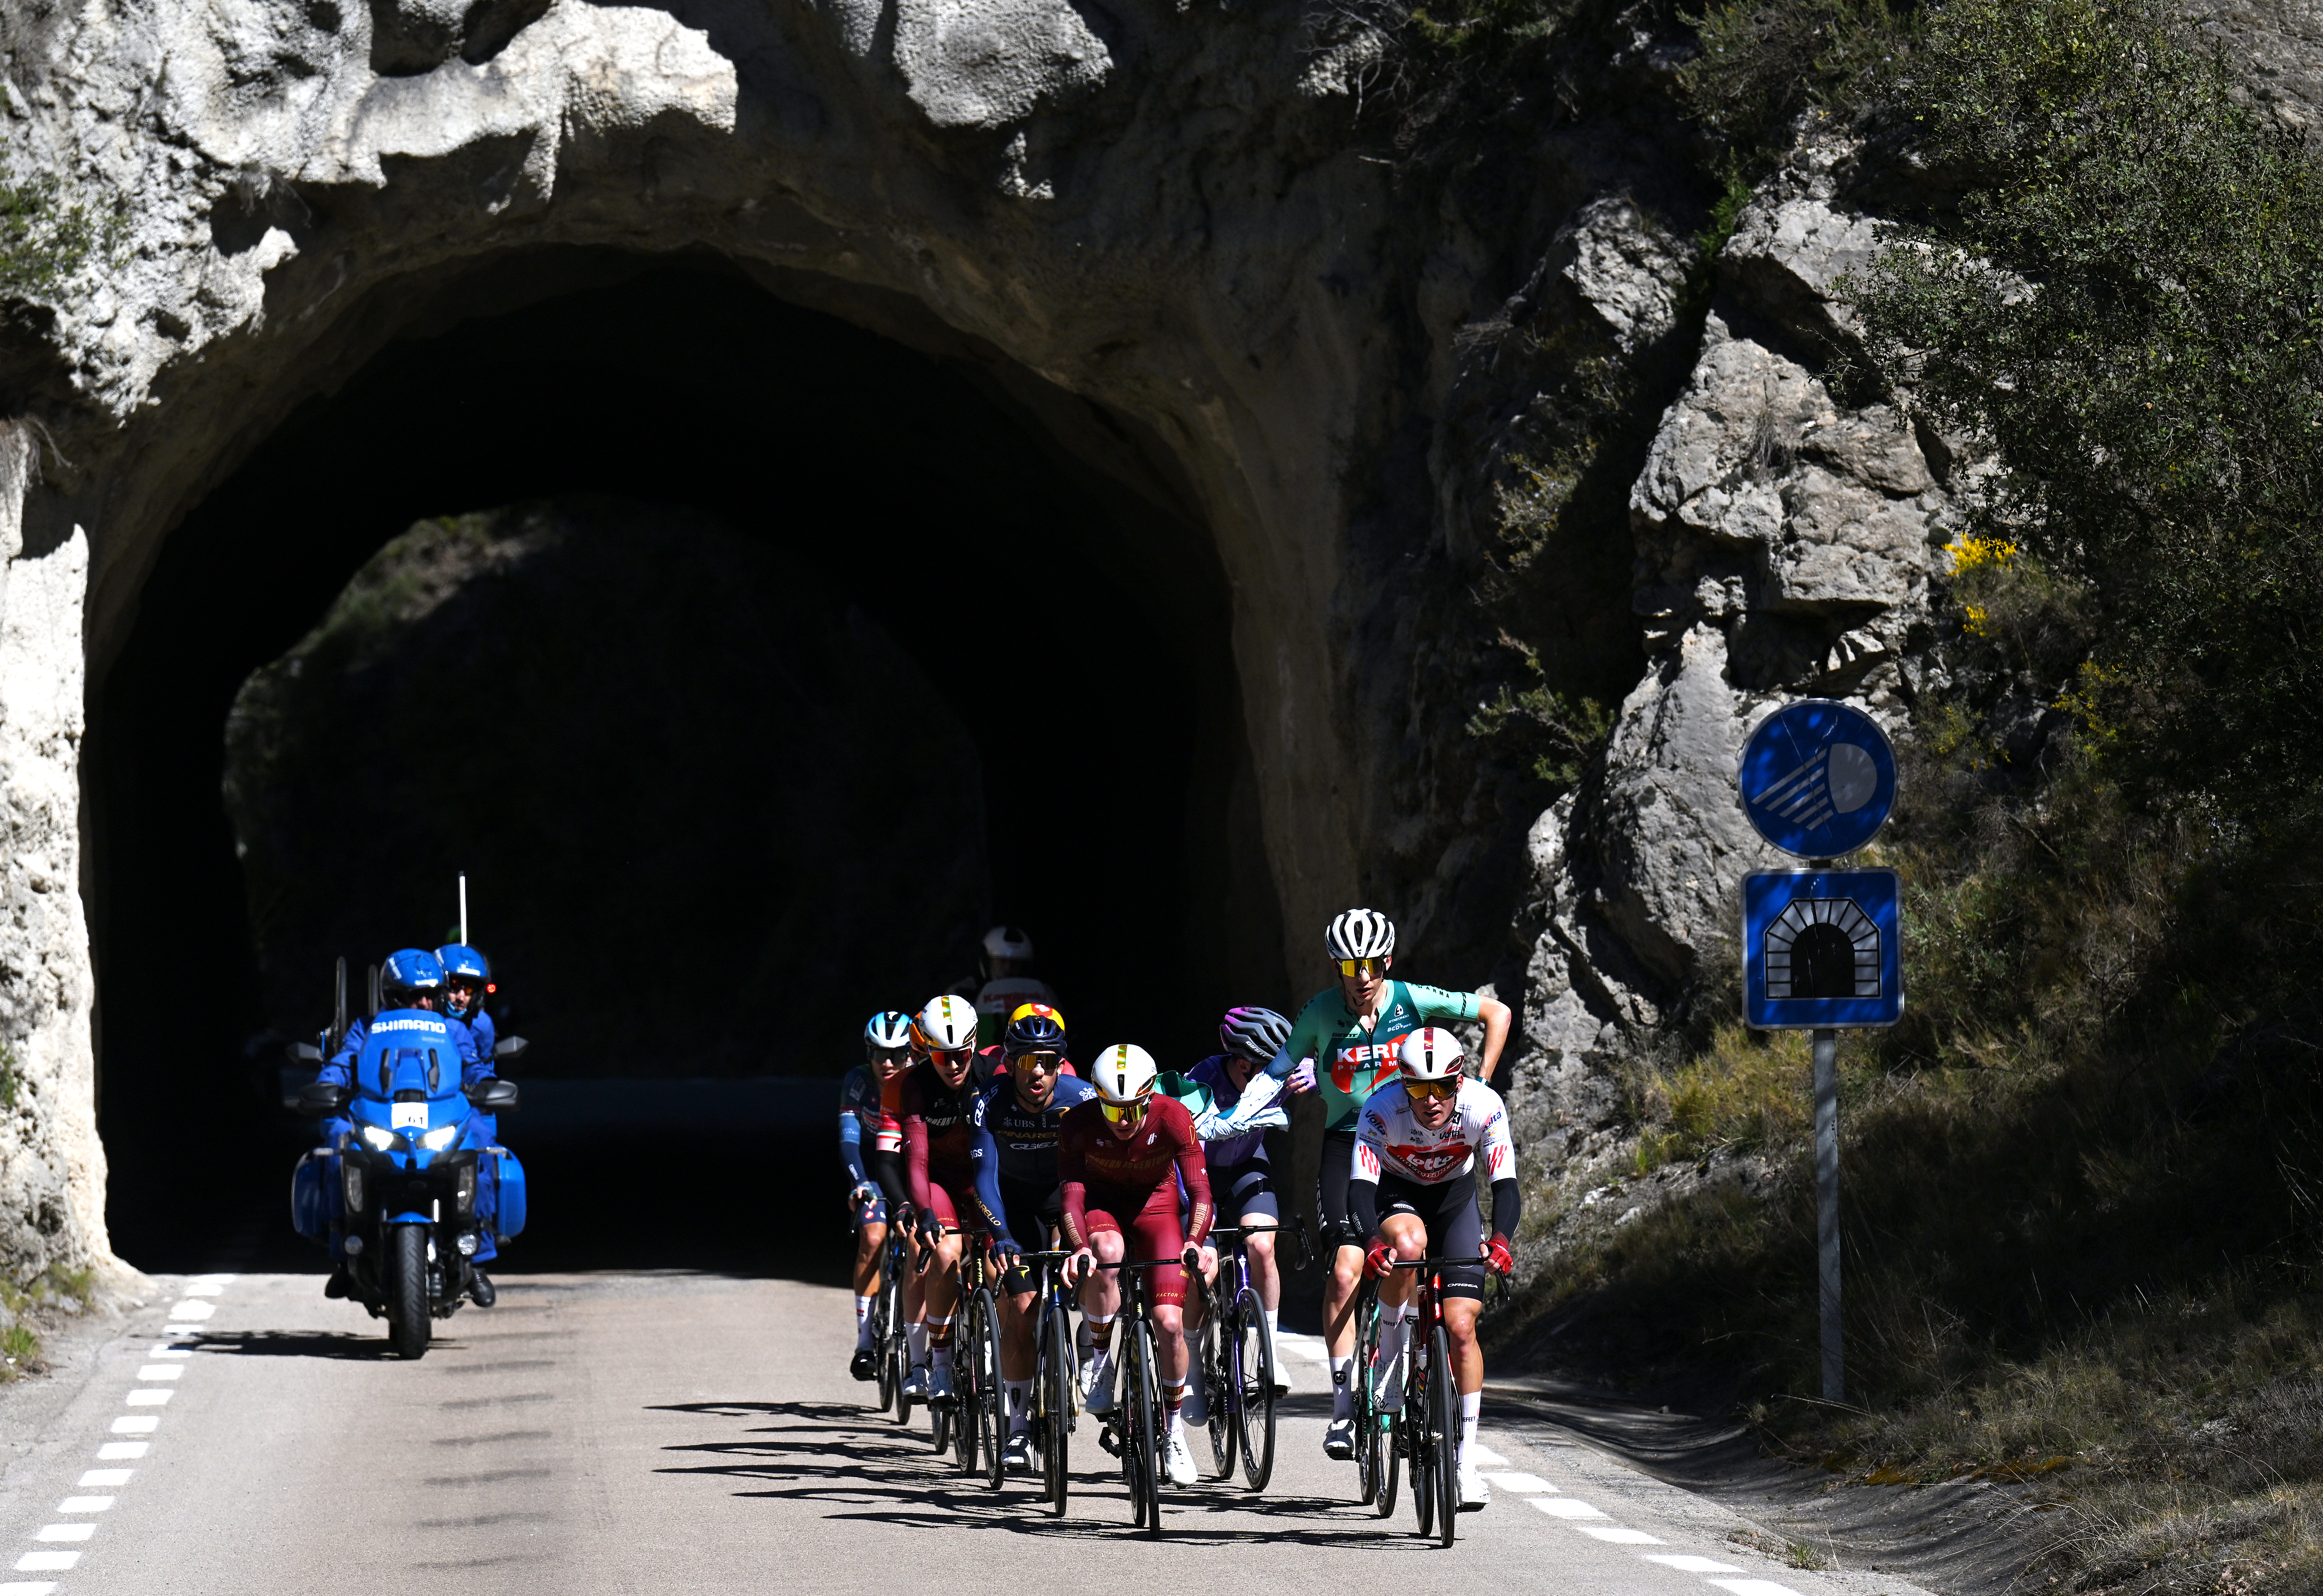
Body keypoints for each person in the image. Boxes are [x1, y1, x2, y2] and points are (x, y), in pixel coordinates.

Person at [1215, 907, 1512, 1461]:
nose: (1362, 976)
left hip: (1412, 1147)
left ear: (1387, 962)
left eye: (1372, 963)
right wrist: (1229, 1122)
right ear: (1336, 967)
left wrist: (1481, 1085)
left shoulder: (1411, 999)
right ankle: (1343, 1409)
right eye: (1350, 966)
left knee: (1417, 1258)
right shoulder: (1320, 1012)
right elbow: (1274, 1073)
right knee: (1348, 1268)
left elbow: (1496, 1012)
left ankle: (1413, 1366)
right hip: (1347, 1144)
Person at [1352, 1026, 1519, 1511]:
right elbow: (1361, 1188)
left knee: (1463, 1327)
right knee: (1408, 1244)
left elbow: (1505, 1184)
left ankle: (1466, 1461)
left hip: (1455, 1199)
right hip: (1397, 1193)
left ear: (1460, 1080)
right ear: (1402, 1082)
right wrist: (1369, 1241)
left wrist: (1503, 1239)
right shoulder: (1381, 1110)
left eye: (1443, 1086)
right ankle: (1389, 1352)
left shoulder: (1484, 1105)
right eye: (1419, 1087)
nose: (1431, 1100)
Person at [1059, 1043, 1213, 1488]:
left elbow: (1201, 1191)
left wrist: (1193, 1241)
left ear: (1148, 1097)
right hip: (1104, 1207)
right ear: (1097, 1099)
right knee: (1105, 1251)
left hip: (1156, 1208)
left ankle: (1173, 1428)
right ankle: (1104, 1361)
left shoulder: (1173, 1116)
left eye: (1133, 1109)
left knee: (1168, 1322)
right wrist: (1077, 1246)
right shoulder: (1078, 1124)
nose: (1124, 1121)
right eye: (1113, 1109)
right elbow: (1071, 1194)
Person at [317, 948, 493, 1304]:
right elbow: (343, 1062)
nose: (426, 1002)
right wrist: (326, 1084)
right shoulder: (366, 1029)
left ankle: (476, 1258)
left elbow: (473, 1066)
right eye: (416, 996)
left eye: (431, 995)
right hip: (381, 1117)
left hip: (438, 1116)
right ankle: (344, 1253)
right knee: (337, 1142)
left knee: (483, 1141)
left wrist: (486, 1084)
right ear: (394, 996)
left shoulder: (454, 1029)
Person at [966, 1004, 1095, 1471]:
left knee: (1091, 1263)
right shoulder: (988, 1099)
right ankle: (1017, 1427)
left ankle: (1087, 1335)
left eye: (1046, 1061)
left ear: (1060, 1063)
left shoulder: (1081, 1098)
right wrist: (1000, 1234)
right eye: (1025, 1061)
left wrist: (1078, 1234)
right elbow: (983, 1177)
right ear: (1010, 1062)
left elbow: (1092, 1175)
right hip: (1012, 1206)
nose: (1036, 1072)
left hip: (1062, 1201)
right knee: (1021, 1310)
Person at [1178, 1007, 1298, 1400]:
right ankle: (1194, 1365)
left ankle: (1270, 1353)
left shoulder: (1278, 1072)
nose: (1272, 1077)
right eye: (1263, 1069)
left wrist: (1322, 1077)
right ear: (1243, 1063)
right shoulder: (1202, 1080)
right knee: (1204, 1271)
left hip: (1248, 1164)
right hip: (1200, 1174)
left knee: (1262, 1244)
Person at [899, 993, 985, 1403]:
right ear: (927, 1052)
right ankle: (940, 1365)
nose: (954, 1065)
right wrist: (927, 1213)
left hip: (982, 1180)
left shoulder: (989, 1073)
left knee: (1005, 1254)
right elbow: (916, 1159)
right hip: (939, 1182)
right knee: (947, 1253)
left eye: (962, 1053)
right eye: (942, 1056)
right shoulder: (915, 1085)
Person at [840, 1010, 915, 1381]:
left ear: (911, 1056)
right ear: (868, 1053)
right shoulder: (858, 1082)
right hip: (874, 1171)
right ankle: (865, 1341)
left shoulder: (918, 1081)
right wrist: (860, 1183)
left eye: (899, 1055)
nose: (888, 1063)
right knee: (873, 1237)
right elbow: (850, 1143)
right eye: (879, 1054)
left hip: (912, 1171)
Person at [969, 927, 1059, 1049]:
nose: (1008, 968)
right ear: (987, 961)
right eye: (1002, 962)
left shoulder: (1044, 992)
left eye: (1016, 964)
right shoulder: (965, 992)